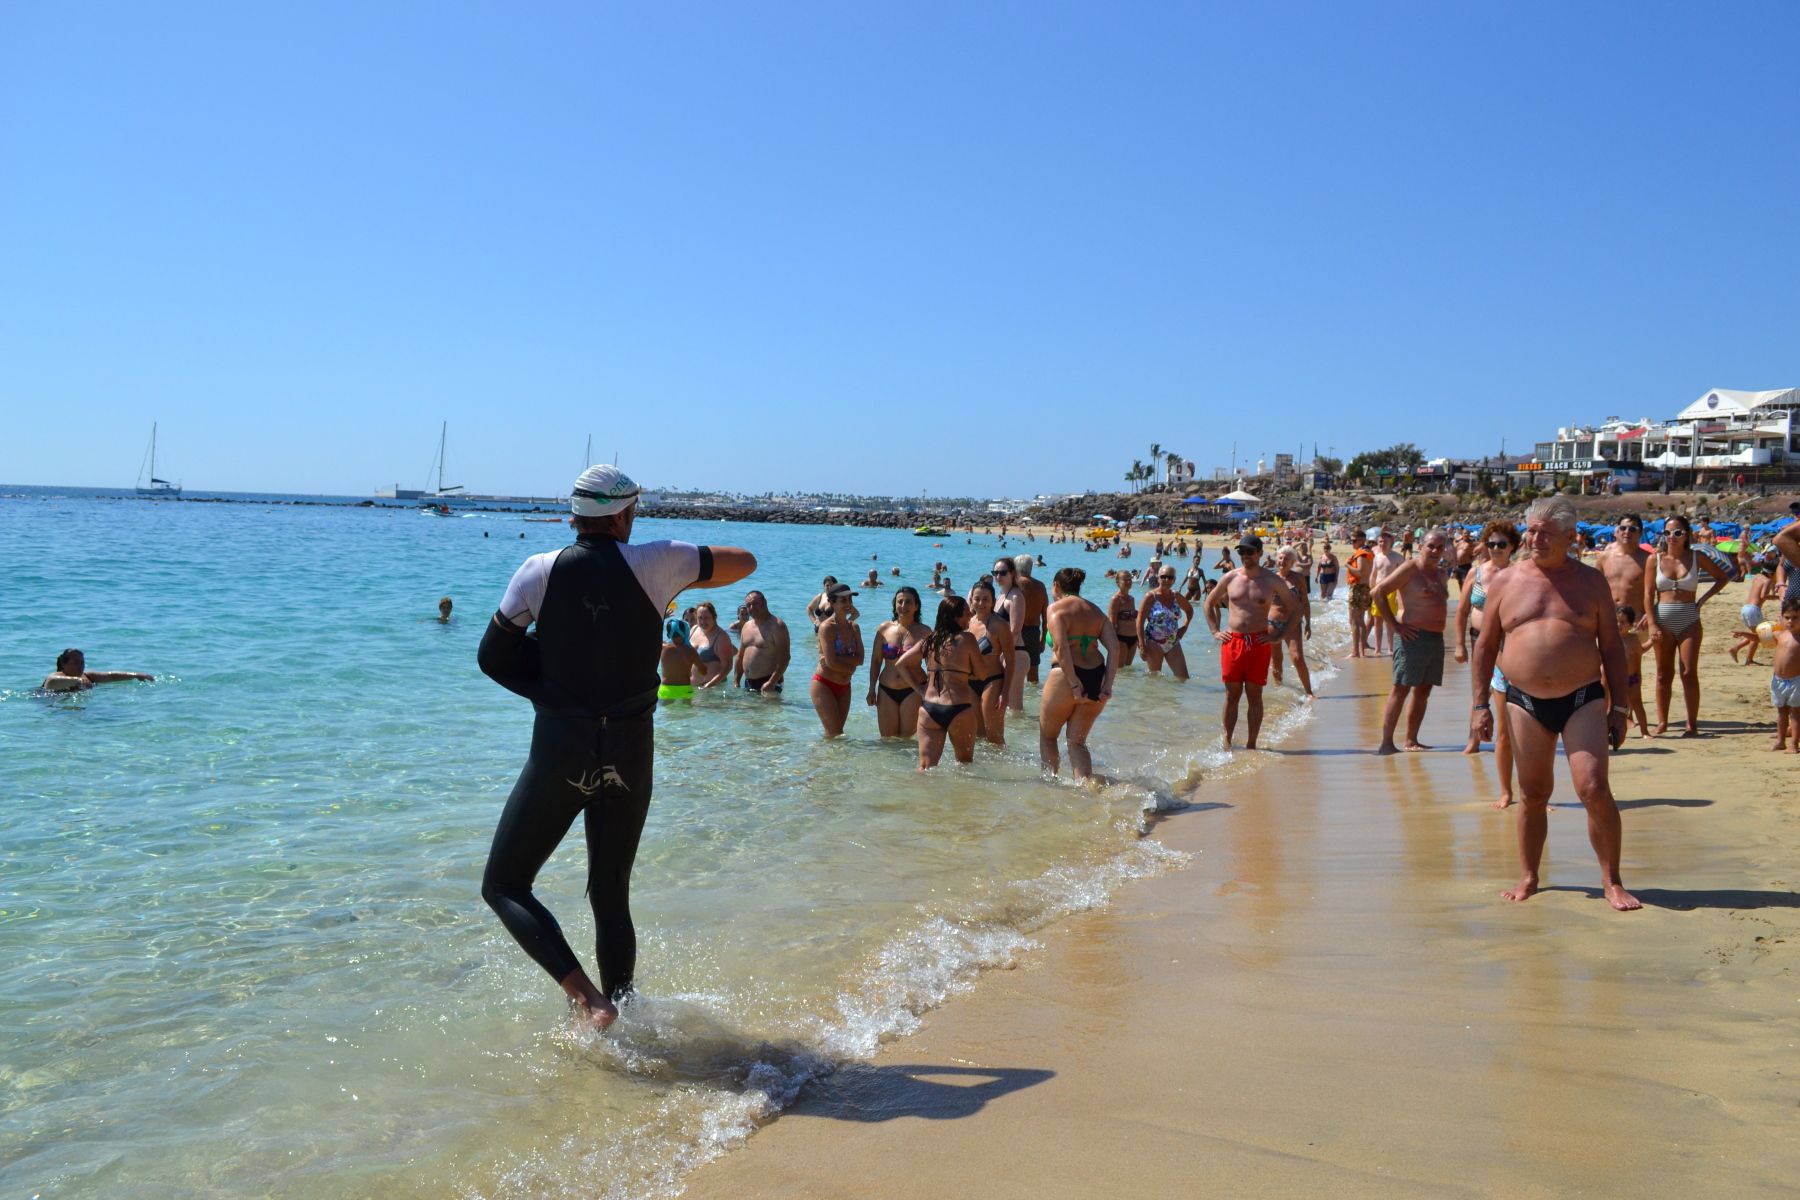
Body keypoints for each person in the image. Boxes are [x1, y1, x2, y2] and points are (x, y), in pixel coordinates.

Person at [476, 464, 755, 1029]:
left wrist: (553, 682)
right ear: (625, 514)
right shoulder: (660, 560)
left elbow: (492, 656)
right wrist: (683, 573)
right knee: (610, 892)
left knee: (504, 884)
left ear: (574, 515)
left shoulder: (539, 571)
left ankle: (587, 999)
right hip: (631, 749)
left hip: (563, 748)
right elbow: (745, 561)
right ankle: (624, 1013)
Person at [1469, 496, 1638, 911]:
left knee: (1593, 787)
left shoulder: (1590, 582)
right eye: (1531, 530)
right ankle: (1529, 876)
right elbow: (1487, 645)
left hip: (1582, 696)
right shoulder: (1505, 581)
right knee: (1533, 793)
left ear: (1569, 536)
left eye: (1545, 532)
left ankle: (1611, 880)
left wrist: (1619, 708)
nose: (1534, 538)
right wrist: (1479, 705)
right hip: (1523, 701)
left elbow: (1612, 648)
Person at [1202, 535, 1301, 750]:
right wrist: (1215, 631)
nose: (1245, 556)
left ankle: (1251, 744)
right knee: (1232, 694)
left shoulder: (1272, 580)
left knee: (1255, 695)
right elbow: (1209, 603)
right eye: (1242, 552)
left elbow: (1296, 609)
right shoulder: (1230, 577)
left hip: (1258, 642)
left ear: (1259, 553)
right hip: (1233, 641)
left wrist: (1279, 636)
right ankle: (1227, 742)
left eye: (1249, 552)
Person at [1644, 514, 1731, 736]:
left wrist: (1702, 600)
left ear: (1686, 535)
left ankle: (1692, 724)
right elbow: (1647, 594)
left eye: (1677, 532)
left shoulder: (1696, 556)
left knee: (1688, 671)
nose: (1672, 537)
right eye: (1667, 532)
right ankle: (1662, 722)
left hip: (1689, 618)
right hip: (1662, 617)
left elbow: (1723, 577)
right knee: (1663, 673)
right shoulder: (1654, 559)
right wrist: (1652, 624)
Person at [1454, 521, 1521, 804]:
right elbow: (1462, 610)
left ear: (1512, 547)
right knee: (1479, 691)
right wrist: (1458, 644)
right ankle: (1475, 739)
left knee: (1510, 710)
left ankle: (1522, 781)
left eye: (1501, 544)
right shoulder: (1477, 572)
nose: (1495, 549)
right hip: (1478, 638)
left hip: (1508, 645)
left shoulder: (1518, 574)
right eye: (1491, 544)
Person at [1372, 529, 1451, 754]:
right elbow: (1378, 592)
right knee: (1401, 688)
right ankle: (1387, 743)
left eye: (1439, 547)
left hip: (1435, 639)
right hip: (1412, 638)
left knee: (1423, 691)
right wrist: (1395, 626)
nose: (1435, 550)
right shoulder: (1410, 568)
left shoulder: (1441, 573)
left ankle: (1411, 740)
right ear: (1420, 546)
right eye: (1431, 546)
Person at [1039, 567, 1117, 780]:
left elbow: (1061, 648)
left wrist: (1074, 684)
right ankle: (1086, 790)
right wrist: (1108, 684)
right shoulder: (1096, 611)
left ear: (1056, 586)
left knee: (1048, 737)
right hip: (1097, 676)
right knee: (1077, 743)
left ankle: (1049, 789)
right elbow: (1114, 648)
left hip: (1065, 677)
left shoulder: (1055, 609)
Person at [896, 596, 979, 768]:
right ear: (956, 617)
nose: (970, 615)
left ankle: (919, 795)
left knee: (925, 767)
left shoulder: (929, 640)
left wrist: (919, 690)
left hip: (929, 708)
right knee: (964, 766)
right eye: (966, 612)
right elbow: (982, 673)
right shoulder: (967, 639)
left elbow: (901, 664)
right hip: (959, 708)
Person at [868, 587, 930, 737]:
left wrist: (929, 690)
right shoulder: (884, 629)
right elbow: (876, 661)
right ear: (895, 605)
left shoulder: (925, 632)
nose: (903, 606)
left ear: (916, 606)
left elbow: (932, 665)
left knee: (905, 740)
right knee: (887, 740)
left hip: (913, 690)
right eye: (900, 602)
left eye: (908, 602)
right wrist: (871, 688)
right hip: (886, 689)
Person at [811, 584, 864, 736]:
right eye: (843, 600)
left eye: (849, 600)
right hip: (824, 684)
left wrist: (836, 658)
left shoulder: (854, 627)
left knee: (838, 735)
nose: (848, 604)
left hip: (845, 686)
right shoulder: (827, 627)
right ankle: (823, 759)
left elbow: (860, 659)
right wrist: (850, 667)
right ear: (832, 603)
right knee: (834, 732)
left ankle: (829, 759)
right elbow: (831, 663)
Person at [965, 580, 1014, 745]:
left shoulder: (1000, 625)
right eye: (977, 599)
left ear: (993, 601)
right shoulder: (968, 623)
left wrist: (1005, 693)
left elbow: (1011, 660)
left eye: (986, 599)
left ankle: (1003, 768)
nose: (980, 603)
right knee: (977, 735)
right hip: (970, 683)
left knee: (994, 737)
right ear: (971, 600)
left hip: (992, 681)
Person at [1139, 564, 1194, 680]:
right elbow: (1139, 621)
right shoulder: (1150, 597)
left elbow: (1189, 610)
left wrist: (1184, 627)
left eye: (1170, 577)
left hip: (1173, 641)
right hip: (1153, 642)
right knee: (1154, 679)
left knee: (1183, 678)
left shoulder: (1176, 596)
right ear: (1158, 578)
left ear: (1174, 580)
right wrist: (1142, 645)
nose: (1166, 580)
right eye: (1163, 577)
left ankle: (1173, 698)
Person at [733, 590, 790, 694]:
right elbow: (740, 656)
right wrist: (736, 681)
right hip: (748, 683)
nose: (752, 608)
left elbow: (785, 658)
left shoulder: (777, 626)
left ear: (765, 603)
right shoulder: (746, 626)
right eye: (748, 605)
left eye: (755, 604)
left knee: (769, 710)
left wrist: (772, 682)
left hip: (770, 683)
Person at [992, 558, 1029, 712]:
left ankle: (1025, 735)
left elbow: (1015, 630)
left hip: (1015, 654)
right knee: (1004, 708)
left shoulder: (1016, 596)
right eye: (995, 573)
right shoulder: (1001, 596)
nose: (998, 576)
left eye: (1002, 573)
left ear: (1012, 573)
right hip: (1005, 654)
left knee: (1015, 709)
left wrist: (1002, 654)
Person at [40, 649, 153, 691]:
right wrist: (76, 680)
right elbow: (51, 681)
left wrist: (136, 675)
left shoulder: (87, 676)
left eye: (82, 662)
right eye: (75, 663)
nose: (80, 666)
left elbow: (111, 676)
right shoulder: (58, 676)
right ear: (63, 664)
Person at [1770, 598, 1800, 752]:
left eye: (1795, 618)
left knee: (1795, 713)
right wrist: (1746, 636)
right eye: (1787, 617)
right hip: (1778, 680)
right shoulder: (1780, 634)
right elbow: (1762, 638)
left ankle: (1794, 743)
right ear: (1781, 617)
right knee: (1781, 712)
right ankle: (1780, 740)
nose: (1790, 621)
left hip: (1796, 681)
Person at [1015, 555, 1050, 685]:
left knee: (1012, 672)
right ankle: (1034, 698)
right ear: (1031, 568)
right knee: (1033, 674)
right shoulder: (1040, 586)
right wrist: (1043, 640)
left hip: (1016, 632)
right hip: (1034, 632)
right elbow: (1045, 615)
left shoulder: (1014, 584)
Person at [1729, 566, 1776, 666]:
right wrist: (1778, 597)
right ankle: (1738, 650)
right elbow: (1763, 596)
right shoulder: (1767, 580)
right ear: (1772, 573)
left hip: (1746, 608)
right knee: (1759, 636)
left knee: (1755, 634)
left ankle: (1746, 657)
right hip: (1753, 610)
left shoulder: (1758, 576)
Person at [1368, 529, 1405, 656]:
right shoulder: (1377, 557)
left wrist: (1399, 595)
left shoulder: (1398, 558)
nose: (1382, 544)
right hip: (1378, 591)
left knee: (1390, 620)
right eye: (1380, 541)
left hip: (1392, 592)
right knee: (1377, 620)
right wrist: (1371, 590)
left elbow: (1403, 578)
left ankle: (1390, 647)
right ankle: (1378, 649)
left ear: (1391, 542)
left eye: (1385, 541)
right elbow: (1373, 575)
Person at [1617, 605, 1650, 737]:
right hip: (1614, 679)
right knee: (1608, 706)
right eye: (1616, 621)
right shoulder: (1610, 639)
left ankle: (1644, 731)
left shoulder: (1633, 639)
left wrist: (1652, 642)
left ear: (1630, 625)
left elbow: (1640, 651)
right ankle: (1607, 730)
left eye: (1623, 622)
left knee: (1637, 704)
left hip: (1632, 678)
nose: (1619, 624)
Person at [1344, 529, 1376, 657]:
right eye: (1351, 540)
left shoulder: (1362, 554)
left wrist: (1347, 565)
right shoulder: (1369, 552)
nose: (1352, 543)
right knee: (1360, 620)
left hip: (1359, 588)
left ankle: (1356, 651)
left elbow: (1360, 572)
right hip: (1365, 588)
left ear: (1362, 540)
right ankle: (1361, 650)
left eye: (1354, 540)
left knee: (1354, 620)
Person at [687, 602, 733, 688]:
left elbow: (728, 666)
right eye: (700, 618)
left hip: (712, 689)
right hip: (694, 688)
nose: (703, 621)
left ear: (714, 617)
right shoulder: (694, 629)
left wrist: (709, 685)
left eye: (706, 618)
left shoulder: (721, 637)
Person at [657, 618, 700, 703]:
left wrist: (662, 618)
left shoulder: (663, 647)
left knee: (668, 715)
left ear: (669, 634)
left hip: (667, 689)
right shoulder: (691, 651)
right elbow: (703, 670)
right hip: (685, 688)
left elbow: (653, 633)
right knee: (686, 713)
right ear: (686, 632)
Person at [1107, 569, 1140, 667]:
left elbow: (1134, 620)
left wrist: (1139, 638)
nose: (1128, 582)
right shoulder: (1115, 599)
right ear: (1118, 582)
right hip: (1121, 639)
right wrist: (1113, 643)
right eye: (1125, 580)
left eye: (1130, 579)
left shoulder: (1131, 599)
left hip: (1133, 638)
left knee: (1128, 670)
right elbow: (1112, 623)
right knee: (1120, 671)